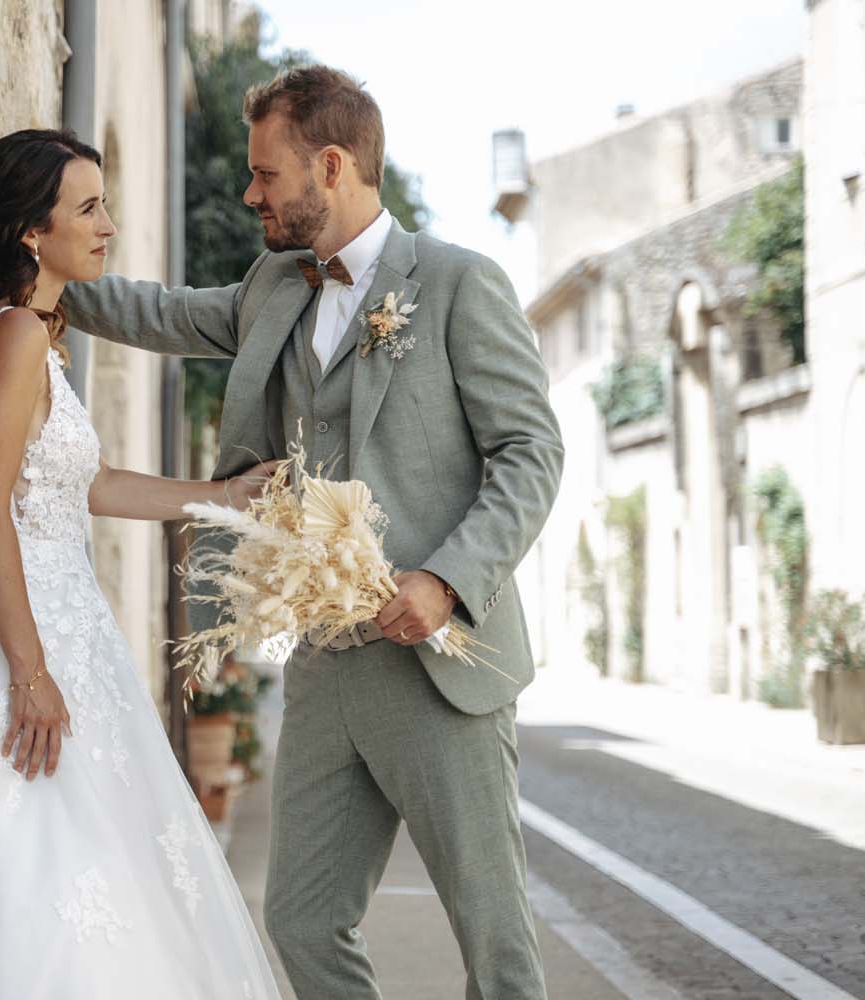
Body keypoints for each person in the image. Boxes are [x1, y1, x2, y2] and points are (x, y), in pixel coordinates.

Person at [60, 65, 565, 1000]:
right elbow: (165, 314)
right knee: (299, 921)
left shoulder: (457, 284)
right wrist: (44, 273)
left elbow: (531, 454)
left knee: (494, 943)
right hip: (328, 666)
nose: (250, 192)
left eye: (267, 175)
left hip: (439, 663)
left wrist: (446, 580)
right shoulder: (273, 285)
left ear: (330, 166)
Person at [0, 128, 283, 1000]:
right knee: (46, 889)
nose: (109, 225)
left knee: (119, 878)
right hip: (24, 650)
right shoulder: (11, 337)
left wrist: (220, 498)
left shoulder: (39, 337)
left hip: (71, 639)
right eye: (87, 208)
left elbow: (91, 480)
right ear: (31, 234)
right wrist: (31, 671)